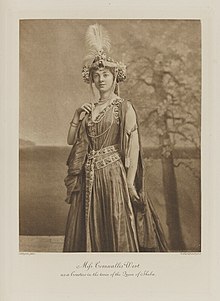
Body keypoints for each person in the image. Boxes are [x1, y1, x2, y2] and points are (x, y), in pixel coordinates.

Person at [63, 24, 168, 252]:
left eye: (106, 75)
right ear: (91, 79)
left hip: (113, 177)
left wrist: (129, 183)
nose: (101, 79)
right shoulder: (88, 109)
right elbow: (72, 140)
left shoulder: (123, 107)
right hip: (88, 176)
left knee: (116, 226)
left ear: (114, 78)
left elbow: (134, 147)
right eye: (97, 75)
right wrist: (76, 115)